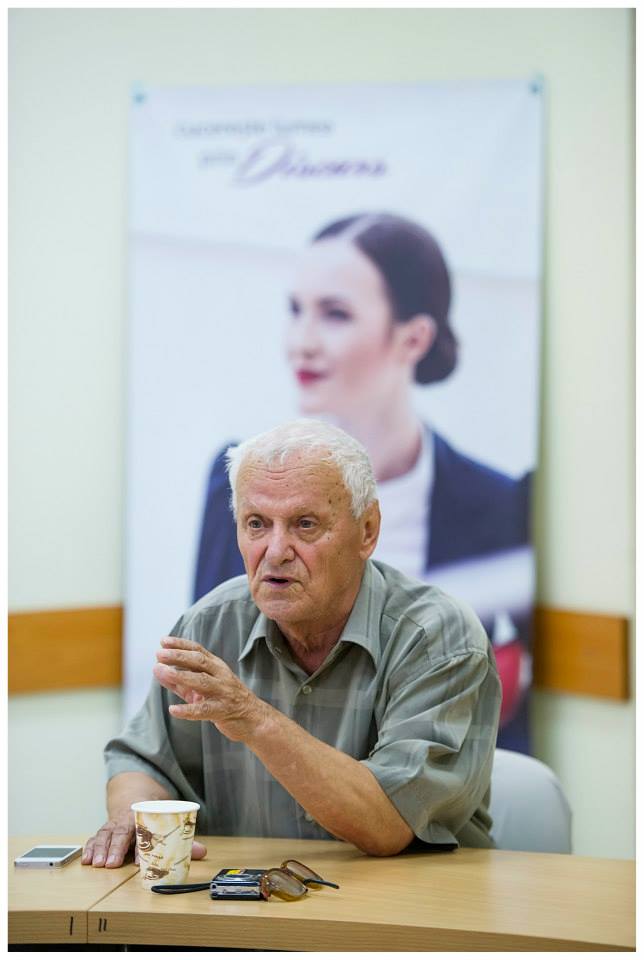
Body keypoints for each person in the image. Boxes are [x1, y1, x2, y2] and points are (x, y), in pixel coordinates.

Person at [83, 420, 501, 868]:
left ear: (367, 531)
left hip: (413, 902)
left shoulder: (438, 637)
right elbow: (144, 761)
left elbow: (389, 822)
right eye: (256, 524)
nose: (276, 550)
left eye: (305, 524)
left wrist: (253, 718)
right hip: (251, 899)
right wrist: (132, 817)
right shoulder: (210, 624)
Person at [192, 213, 532, 743]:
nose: (301, 341)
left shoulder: (501, 504)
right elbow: (208, 668)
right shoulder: (236, 481)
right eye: (296, 310)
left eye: (335, 314)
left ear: (413, 338)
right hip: (265, 781)